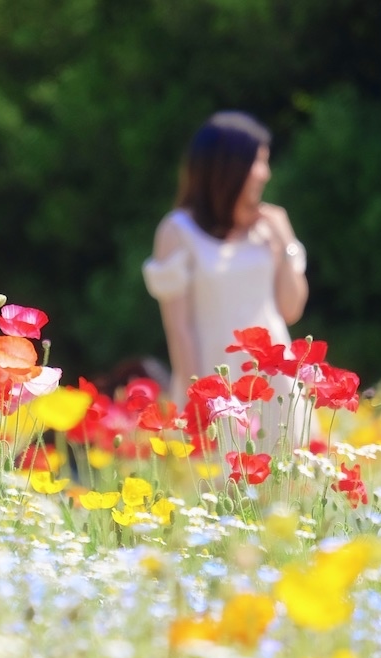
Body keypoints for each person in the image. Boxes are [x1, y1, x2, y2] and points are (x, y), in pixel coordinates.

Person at [142, 111, 310, 451]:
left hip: (275, 377)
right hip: (214, 376)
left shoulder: (269, 227)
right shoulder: (178, 231)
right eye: (257, 162)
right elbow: (180, 330)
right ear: (227, 168)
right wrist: (198, 405)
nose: (265, 173)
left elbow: (291, 310)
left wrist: (286, 243)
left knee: (288, 490)